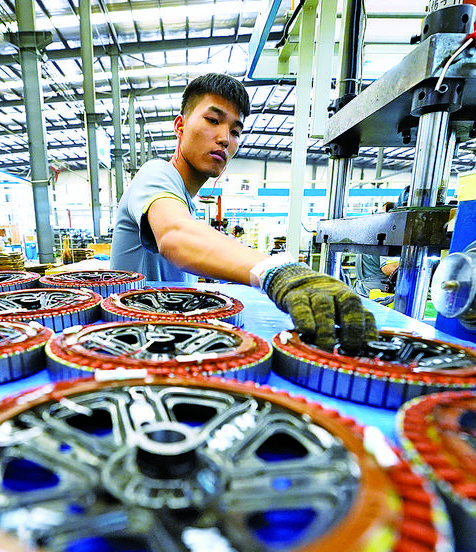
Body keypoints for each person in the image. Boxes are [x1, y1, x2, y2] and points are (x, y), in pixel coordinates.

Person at [110, 73, 376, 352]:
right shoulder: (156, 173)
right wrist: (276, 270)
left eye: (235, 132)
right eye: (213, 120)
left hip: (160, 342)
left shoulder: (186, 202)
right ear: (181, 125)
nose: (224, 139)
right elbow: (175, 236)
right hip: (131, 348)